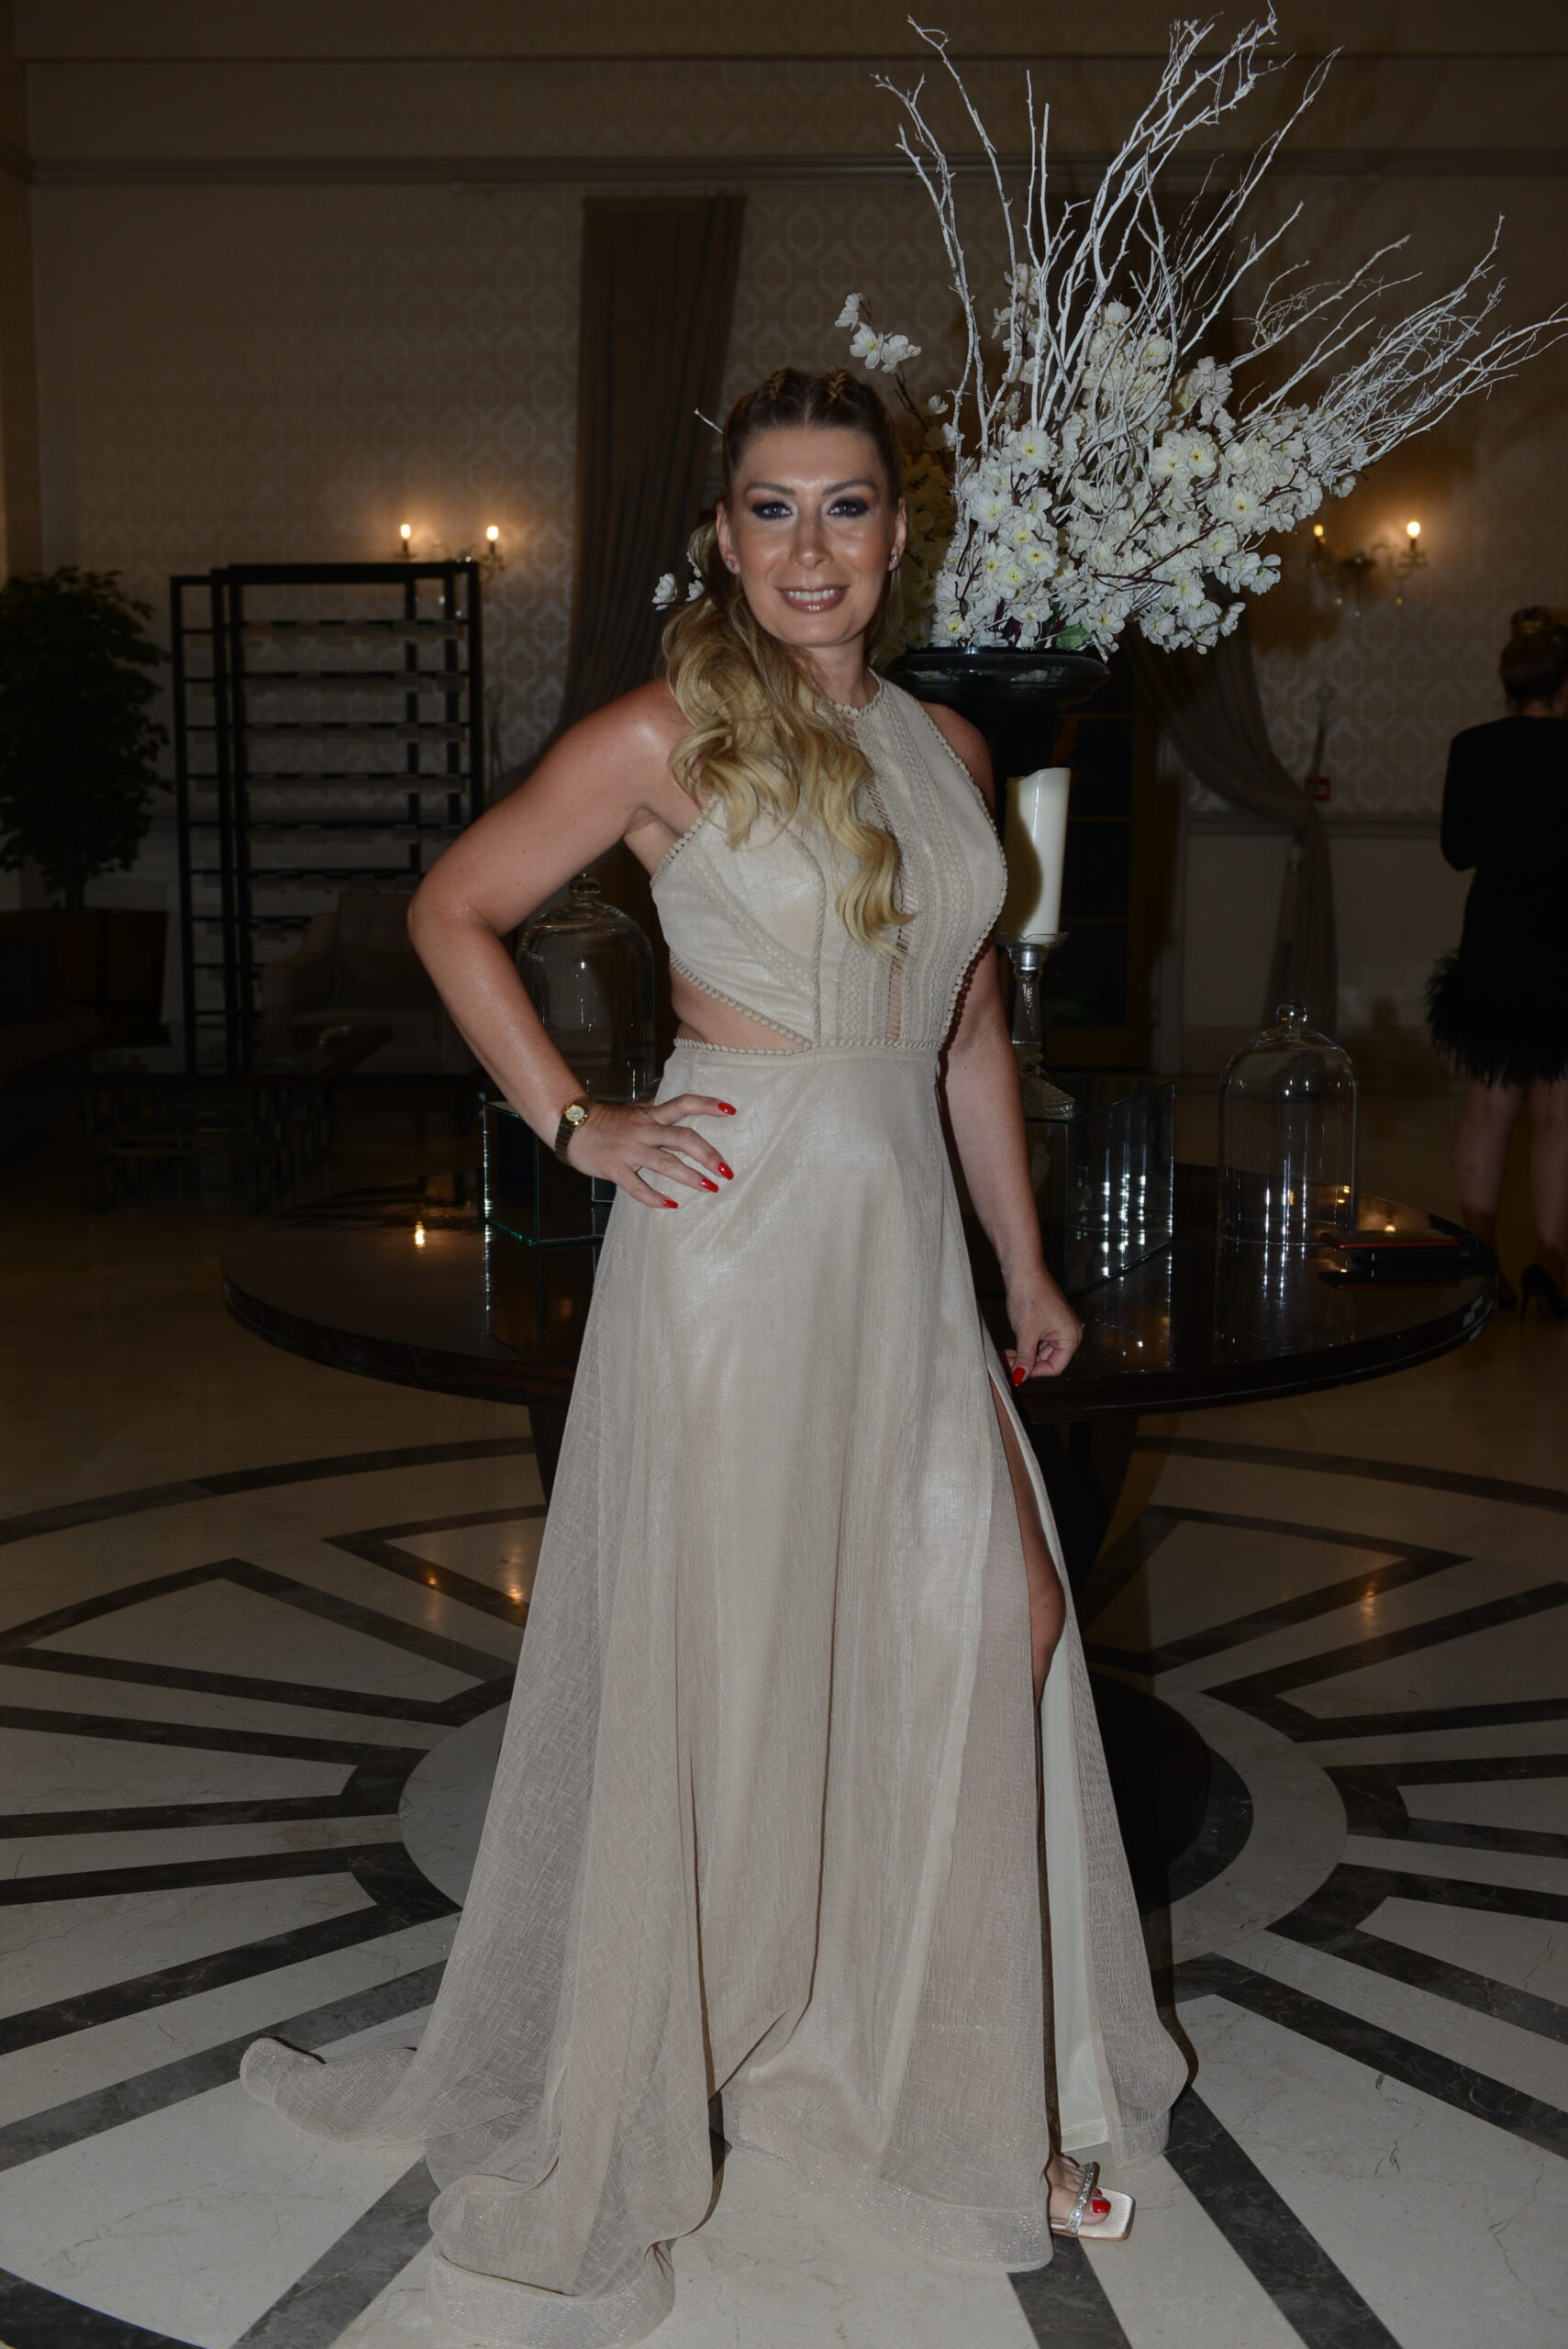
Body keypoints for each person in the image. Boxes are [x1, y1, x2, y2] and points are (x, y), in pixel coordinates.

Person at [240, 367, 1184, 2346]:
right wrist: (576, 1122)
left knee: (995, 1618)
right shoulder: (659, 732)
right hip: (735, 1251)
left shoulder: (943, 739)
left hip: (899, 1248)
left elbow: (966, 1030)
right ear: (723, 534)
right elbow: (454, 907)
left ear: (897, 529)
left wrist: (1020, 1258)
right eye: (771, 508)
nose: (808, 547)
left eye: (844, 506)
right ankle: (730, 2040)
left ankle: (926, 2065)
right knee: (738, 1655)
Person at [1428, 606, 1568, 1317]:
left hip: (1498, 934)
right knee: (1558, 1114)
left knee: (1487, 1105)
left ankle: (1481, 1266)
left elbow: (1458, 850)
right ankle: (1552, 1266)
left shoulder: (1473, 746)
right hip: (1565, 936)